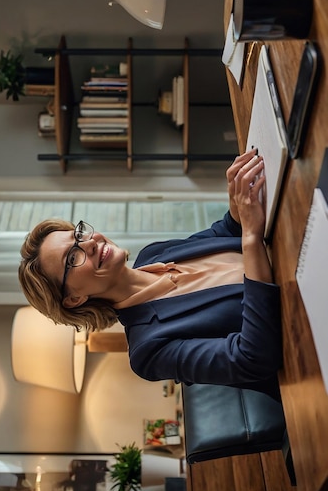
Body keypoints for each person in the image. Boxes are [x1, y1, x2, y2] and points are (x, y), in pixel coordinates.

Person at [18, 149, 282, 400]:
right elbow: (253, 358)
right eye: (73, 257)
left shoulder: (152, 254)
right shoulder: (149, 350)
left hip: (296, 263)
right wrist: (251, 237)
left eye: (78, 234)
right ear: (74, 298)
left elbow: (225, 232)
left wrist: (236, 200)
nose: (90, 242)